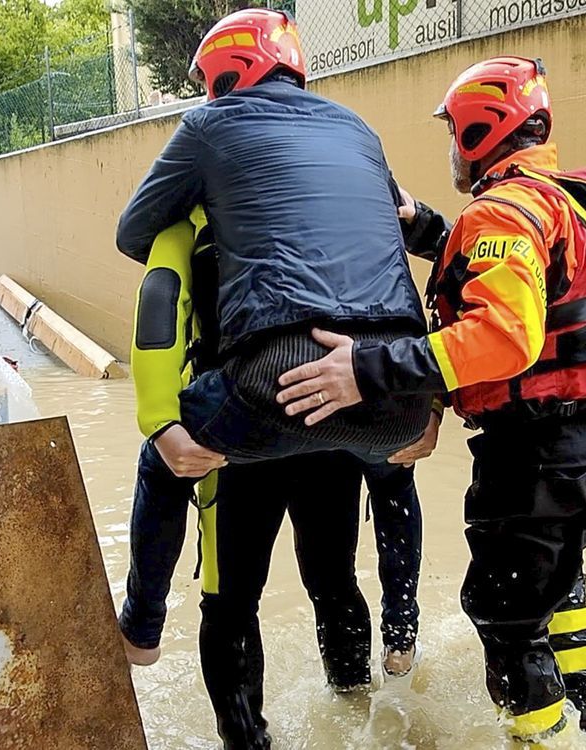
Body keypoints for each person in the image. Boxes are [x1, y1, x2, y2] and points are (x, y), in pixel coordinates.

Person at [278, 56, 586, 746]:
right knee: (559, 591)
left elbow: (505, 337)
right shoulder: (561, 197)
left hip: (539, 456)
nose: (453, 149)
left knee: (505, 618)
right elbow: (533, 278)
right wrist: (421, 224)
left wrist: (367, 370)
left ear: (482, 131)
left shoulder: (501, 214)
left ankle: (543, 737)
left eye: (455, 133)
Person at [117, 183, 437, 748]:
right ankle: (369, 687)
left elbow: (160, 302)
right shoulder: (341, 203)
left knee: (231, 599)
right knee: (333, 578)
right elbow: (402, 303)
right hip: (336, 414)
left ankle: (150, 636)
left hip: (240, 430)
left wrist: (160, 420)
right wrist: (425, 404)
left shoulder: (190, 214)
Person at [116, 8, 431, 467]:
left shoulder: (210, 125)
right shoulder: (360, 129)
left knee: (160, 458)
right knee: (388, 475)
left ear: (224, 74)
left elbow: (134, 231)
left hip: (275, 382)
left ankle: (150, 532)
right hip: (402, 390)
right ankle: (404, 541)